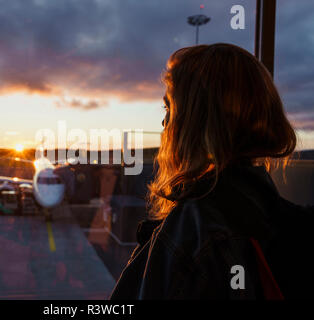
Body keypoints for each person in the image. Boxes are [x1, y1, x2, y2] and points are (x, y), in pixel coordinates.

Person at [110, 43, 314, 299]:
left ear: (196, 124)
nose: (164, 123)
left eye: (169, 109)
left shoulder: (192, 234)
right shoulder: (289, 225)